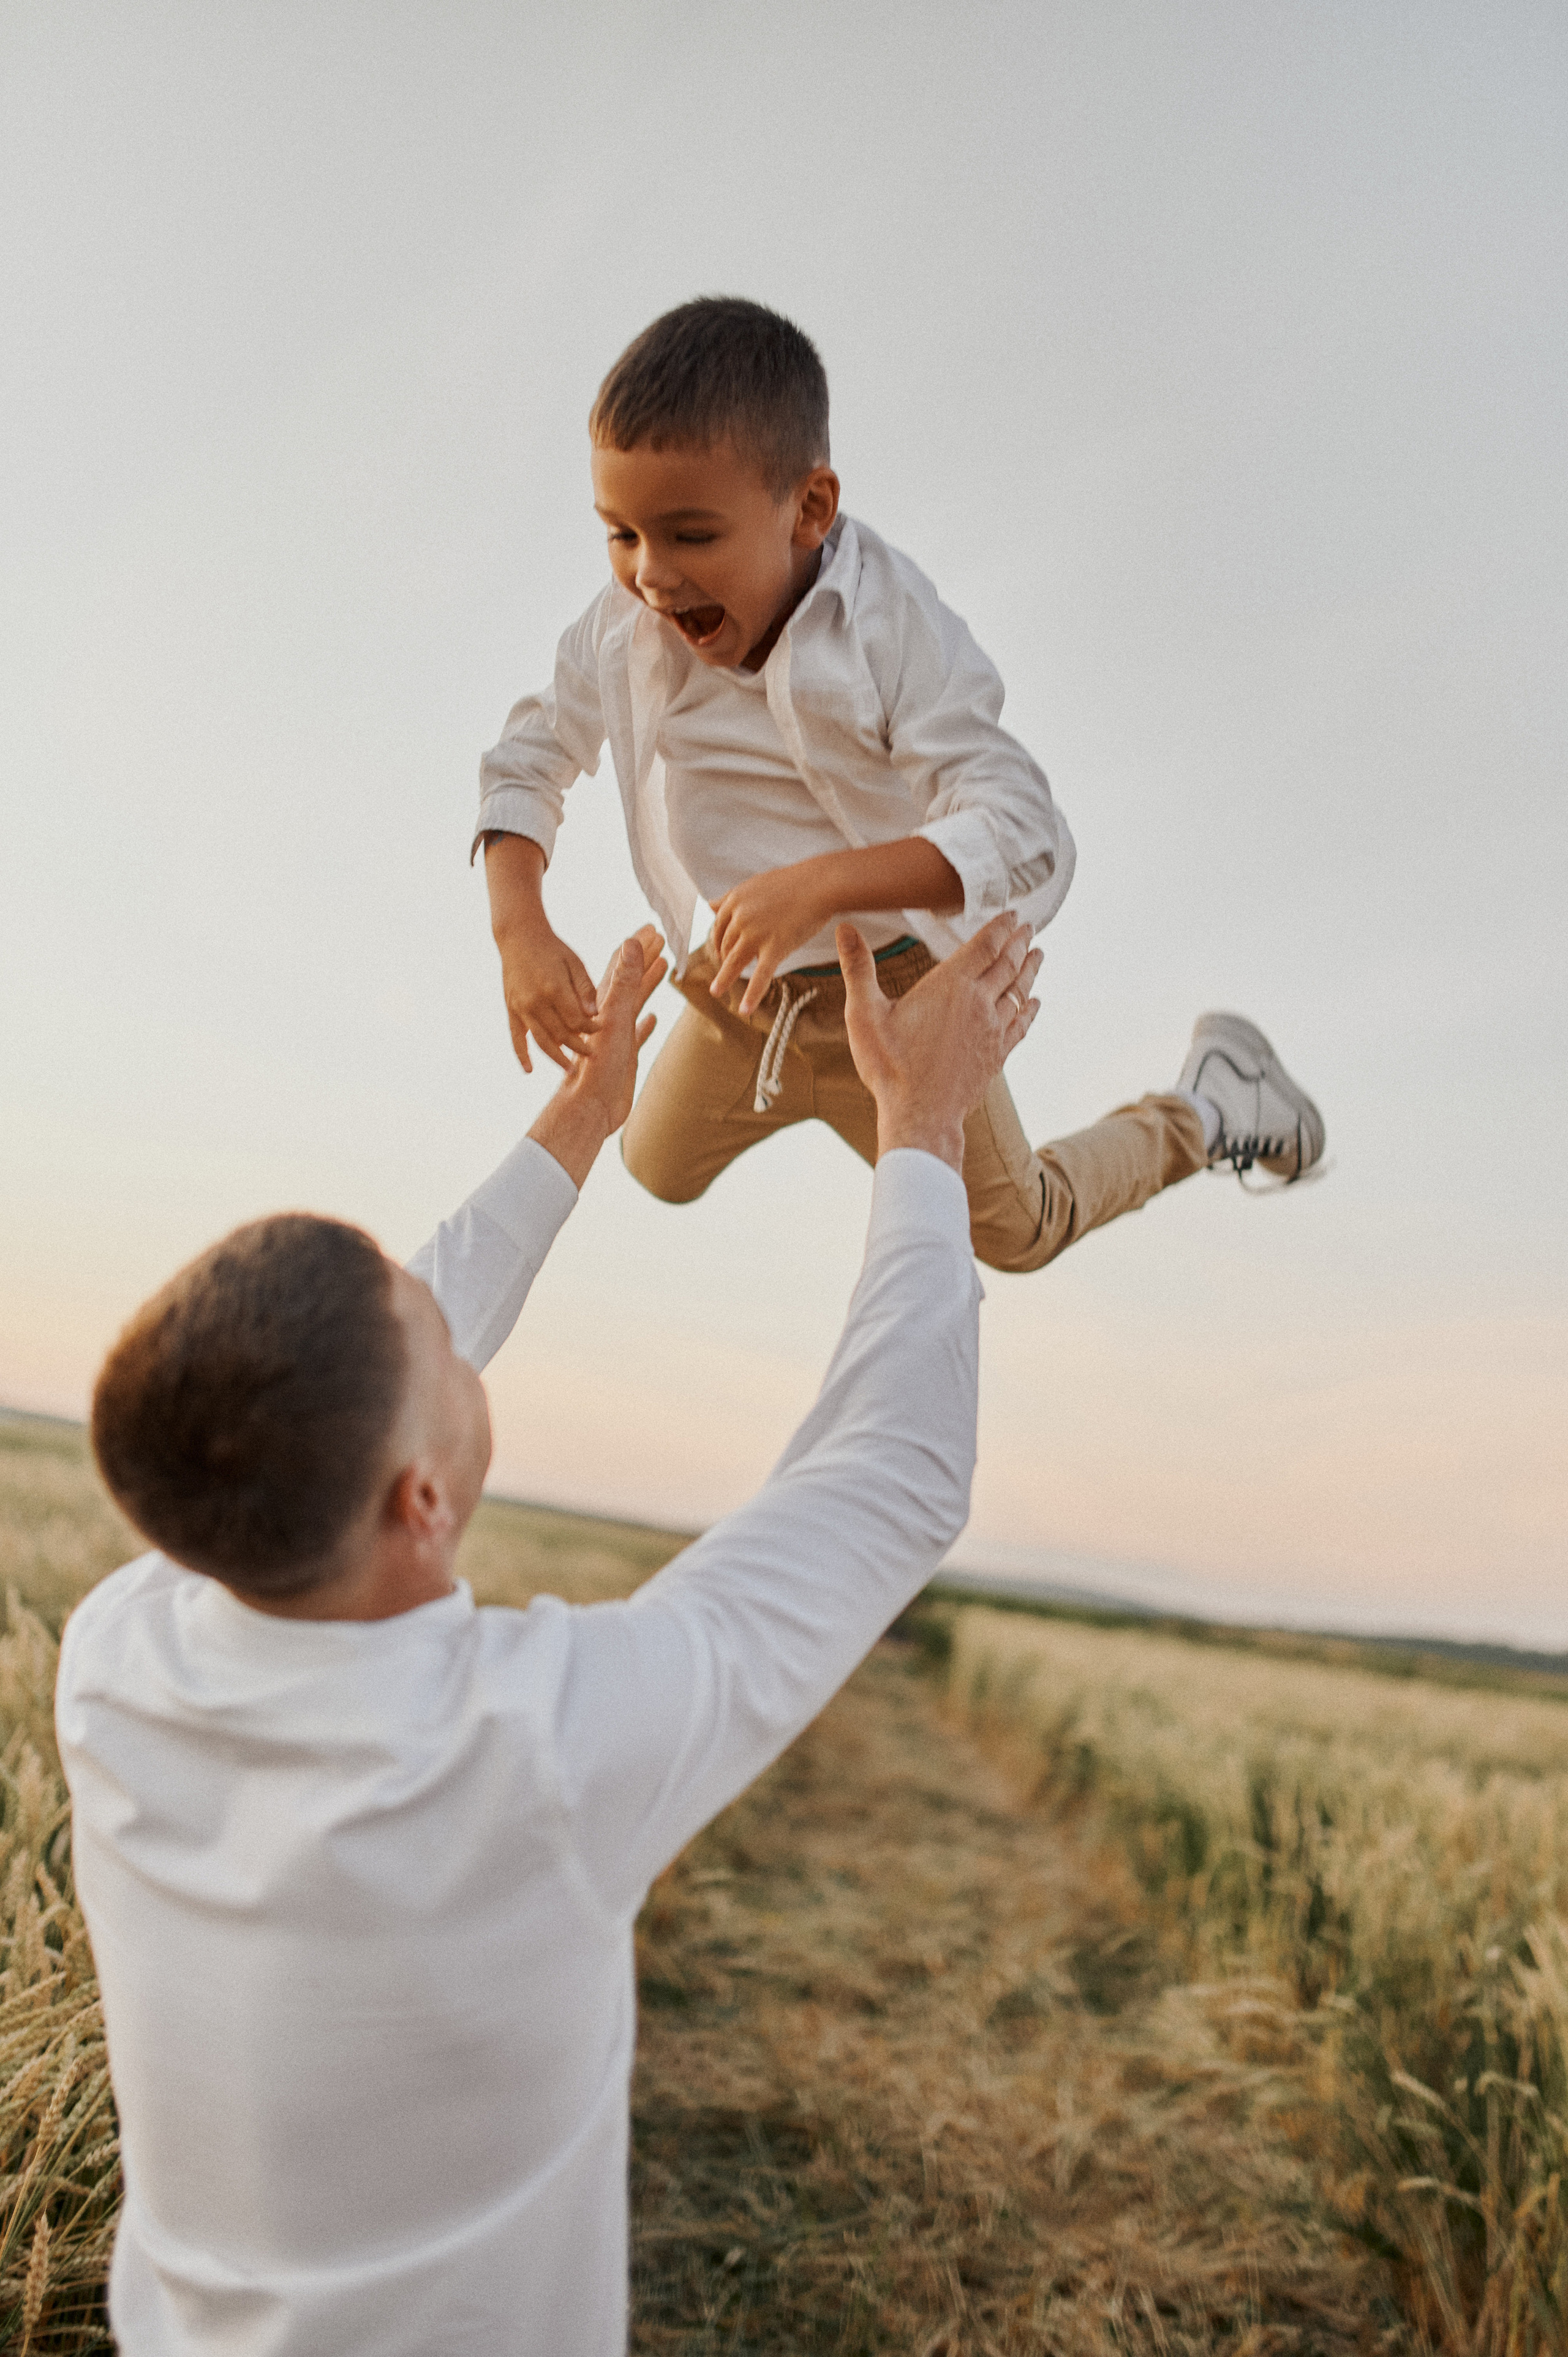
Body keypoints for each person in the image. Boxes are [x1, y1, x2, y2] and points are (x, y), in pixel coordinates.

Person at [59, 910, 1042, 2357]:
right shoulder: (534, 1752)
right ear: (422, 1501)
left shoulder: (116, 1657)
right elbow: (892, 1476)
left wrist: (586, 1116)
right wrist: (923, 1127)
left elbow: (347, 1361)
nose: (461, 1333)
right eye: (443, 1348)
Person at [477, 295, 1324, 1271]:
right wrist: (520, 929)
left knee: (1018, 1232)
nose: (652, 576)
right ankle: (785, 1075)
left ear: (809, 508)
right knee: (652, 1162)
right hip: (746, 982)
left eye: (690, 536)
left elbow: (1027, 829)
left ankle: (1213, 1106)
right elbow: (532, 755)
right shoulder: (623, 628)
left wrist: (825, 886)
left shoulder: (889, 627)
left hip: (903, 988)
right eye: (621, 534)